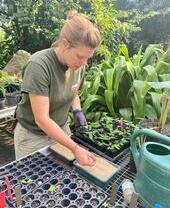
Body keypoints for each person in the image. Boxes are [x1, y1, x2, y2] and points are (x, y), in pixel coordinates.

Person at [14, 10, 101, 167]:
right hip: (33, 136)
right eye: (80, 56)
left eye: (88, 58)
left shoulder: (78, 66)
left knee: (61, 180)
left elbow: (73, 92)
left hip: (61, 131)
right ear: (65, 44)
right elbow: (42, 119)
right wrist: (75, 148)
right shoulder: (39, 65)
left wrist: (77, 111)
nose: (83, 63)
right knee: (33, 182)